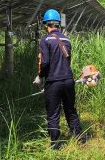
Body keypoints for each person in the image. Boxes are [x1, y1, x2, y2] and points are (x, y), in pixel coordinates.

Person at [33, 8, 84, 149]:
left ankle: (55, 144)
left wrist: (40, 76)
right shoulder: (66, 39)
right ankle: (80, 138)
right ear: (58, 24)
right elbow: (68, 61)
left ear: (46, 25)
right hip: (68, 80)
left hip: (54, 82)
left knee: (53, 113)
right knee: (70, 109)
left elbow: (45, 62)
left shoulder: (45, 40)